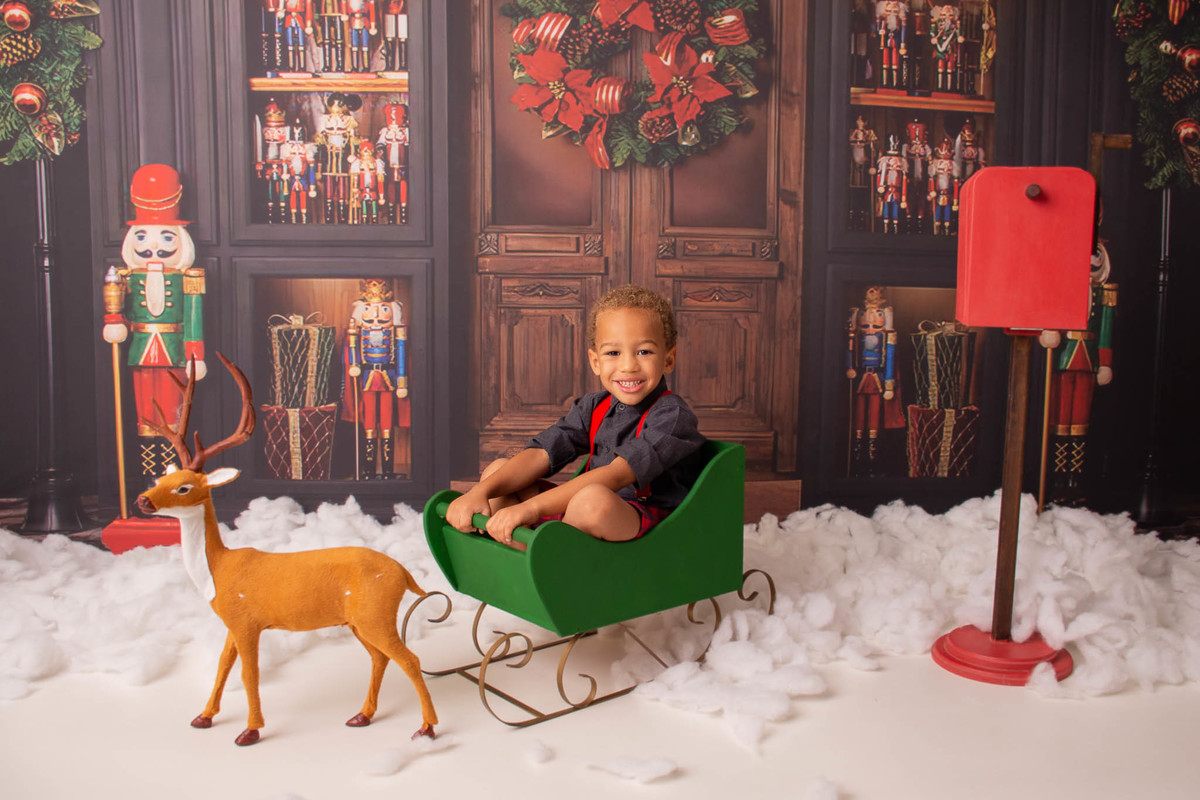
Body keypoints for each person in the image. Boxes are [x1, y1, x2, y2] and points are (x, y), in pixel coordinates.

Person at [446, 285, 706, 547]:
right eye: (613, 353)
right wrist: (480, 491)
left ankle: (551, 554)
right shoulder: (593, 406)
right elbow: (541, 453)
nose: (628, 366)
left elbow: (616, 475)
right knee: (497, 472)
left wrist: (531, 509)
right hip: (579, 516)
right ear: (595, 362)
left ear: (668, 359)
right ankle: (528, 554)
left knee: (592, 500)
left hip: (643, 524)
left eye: (644, 352)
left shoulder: (672, 416)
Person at [101, 163, 203, 477]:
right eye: (143, 236)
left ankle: (171, 477)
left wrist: (195, 355)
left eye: (165, 238)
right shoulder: (127, 277)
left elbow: (194, 317)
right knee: (145, 417)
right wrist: (114, 320)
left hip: (173, 352)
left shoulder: (189, 278)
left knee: (173, 416)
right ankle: (150, 478)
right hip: (141, 352)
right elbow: (119, 308)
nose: (153, 246)